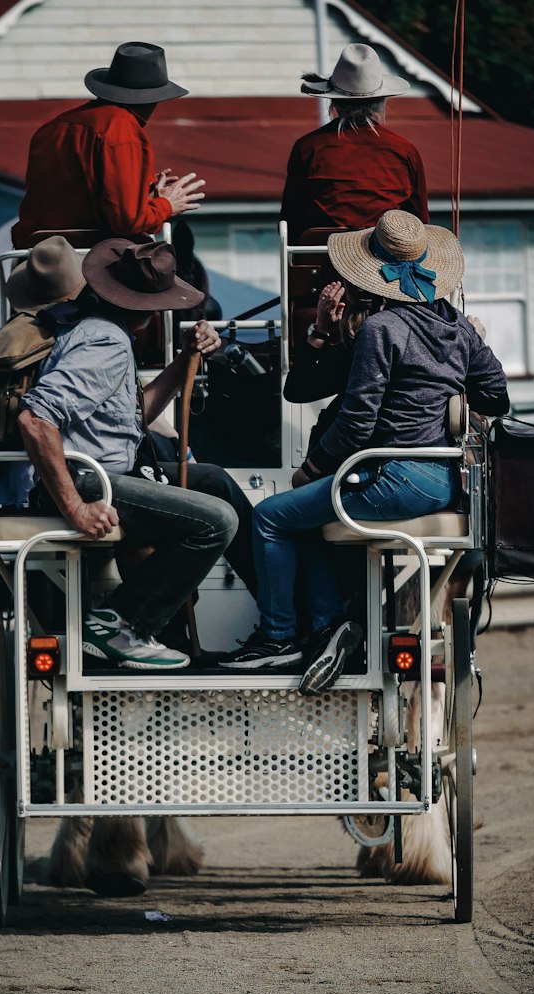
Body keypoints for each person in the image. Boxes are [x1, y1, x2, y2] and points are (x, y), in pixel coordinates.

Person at [218, 209, 509, 694]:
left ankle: (278, 638)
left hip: (392, 477)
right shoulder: (457, 327)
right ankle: (333, 627)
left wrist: (311, 468)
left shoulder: (381, 329)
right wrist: (445, 392)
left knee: (271, 516)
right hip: (443, 480)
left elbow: (357, 422)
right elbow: (497, 397)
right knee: (302, 519)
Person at [9, 236, 248, 670]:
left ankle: (283, 623)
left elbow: (133, 419)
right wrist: (77, 509)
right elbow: (36, 419)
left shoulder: (100, 331)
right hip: (91, 482)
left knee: (213, 481)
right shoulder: (106, 342)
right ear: (148, 308)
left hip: (103, 476)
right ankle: (122, 622)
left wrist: (185, 360)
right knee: (217, 522)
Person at [12, 42, 207, 248]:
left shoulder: (54, 127)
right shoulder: (122, 130)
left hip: (35, 252)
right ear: (152, 99)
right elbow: (127, 221)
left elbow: (71, 198)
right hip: (92, 254)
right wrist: (166, 205)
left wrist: (142, 192)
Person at [279, 43, 429, 243]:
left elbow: (291, 219)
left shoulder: (308, 147)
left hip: (322, 259)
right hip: (384, 260)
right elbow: (420, 221)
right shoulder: (405, 150)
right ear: (381, 101)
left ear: (334, 101)